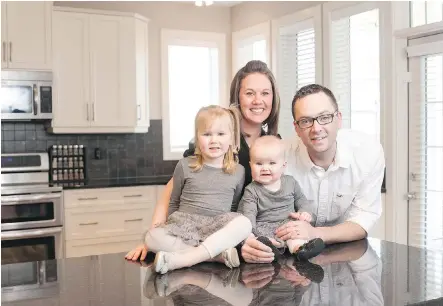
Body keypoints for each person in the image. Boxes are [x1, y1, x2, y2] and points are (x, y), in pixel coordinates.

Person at [125, 60, 281, 262]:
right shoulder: (215, 140)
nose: (258, 100)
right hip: (199, 231)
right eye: (250, 93)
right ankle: (206, 255)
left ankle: (200, 254)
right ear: (238, 98)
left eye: (265, 93)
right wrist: (152, 236)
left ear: (273, 98)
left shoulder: (273, 144)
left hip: (241, 235)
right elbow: (171, 192)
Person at [241, 84, 386, 263]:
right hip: (284, 254)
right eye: (306, 121)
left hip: (345, 253)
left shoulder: (368, 152)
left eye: (324, 117)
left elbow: (364, 217)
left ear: (339, 119)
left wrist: (315, 233)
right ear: (296, 127)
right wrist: (246, 242)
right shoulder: (277, 157)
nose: (316, 128)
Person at [146, 105, 252, 274]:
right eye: (207, 134)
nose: (214, 140)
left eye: (221, 134)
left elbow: (233, 207)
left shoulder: (238, 171)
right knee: (151, 237)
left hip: (216, 227)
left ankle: (183, 259)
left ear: (231, 138)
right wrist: (169, 226)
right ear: (197, 138)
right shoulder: (184, 166)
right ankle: (215, 256)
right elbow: (174, 201)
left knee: (245, 223)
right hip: (185, 225)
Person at [238, 135, 325, 259]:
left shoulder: (290, 182)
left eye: (272, 163)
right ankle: (271, 249)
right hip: (264, 226)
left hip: (288, 224)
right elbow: (248, 215)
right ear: (250, 165)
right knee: (263, 241)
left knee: (295, 235)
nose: (265, 168)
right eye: (258, 163)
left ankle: (301, 250)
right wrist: (251, 235)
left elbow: (302, 201)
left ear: (283, 166)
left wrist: (304, 213)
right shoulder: (251, 190)